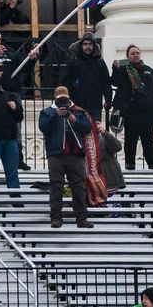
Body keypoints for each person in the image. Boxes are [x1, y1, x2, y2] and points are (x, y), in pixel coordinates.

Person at [39, 87, 94, 230]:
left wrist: (74, 119)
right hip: (56, 154)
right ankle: (56, 218)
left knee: (79, 187)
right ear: (55, 99)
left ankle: (82, 219)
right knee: (56, 186)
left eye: (65, 99)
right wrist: (55, 116)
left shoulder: (78, 111)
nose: (63, 103)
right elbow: (44, 128)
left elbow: (88, 128)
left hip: (75, 154)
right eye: (60, 100)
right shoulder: (47, 112)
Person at [109, 45, 153, 171]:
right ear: (128, 56)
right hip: (131, 110)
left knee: (148, 138)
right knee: (131, 138)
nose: (135, 55)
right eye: (132, 53)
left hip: (148, 111)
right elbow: (114, 82)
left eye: (137, 53)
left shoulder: (150, 71)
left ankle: (151, 162)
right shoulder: (124, 69)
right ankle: (130, 163)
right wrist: (115, 69)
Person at [63, 38, 111, 121]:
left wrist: (108, 99)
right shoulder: (74, 61)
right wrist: (67, 99)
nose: (88, 46)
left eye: (90, 44)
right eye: (85, 44)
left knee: (95, 130)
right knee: (78, 131)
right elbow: (66, 81)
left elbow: (105, 81)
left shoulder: (99, 61)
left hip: (95, 103)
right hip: (77, 103)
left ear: (94, 46)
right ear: (81, 46)